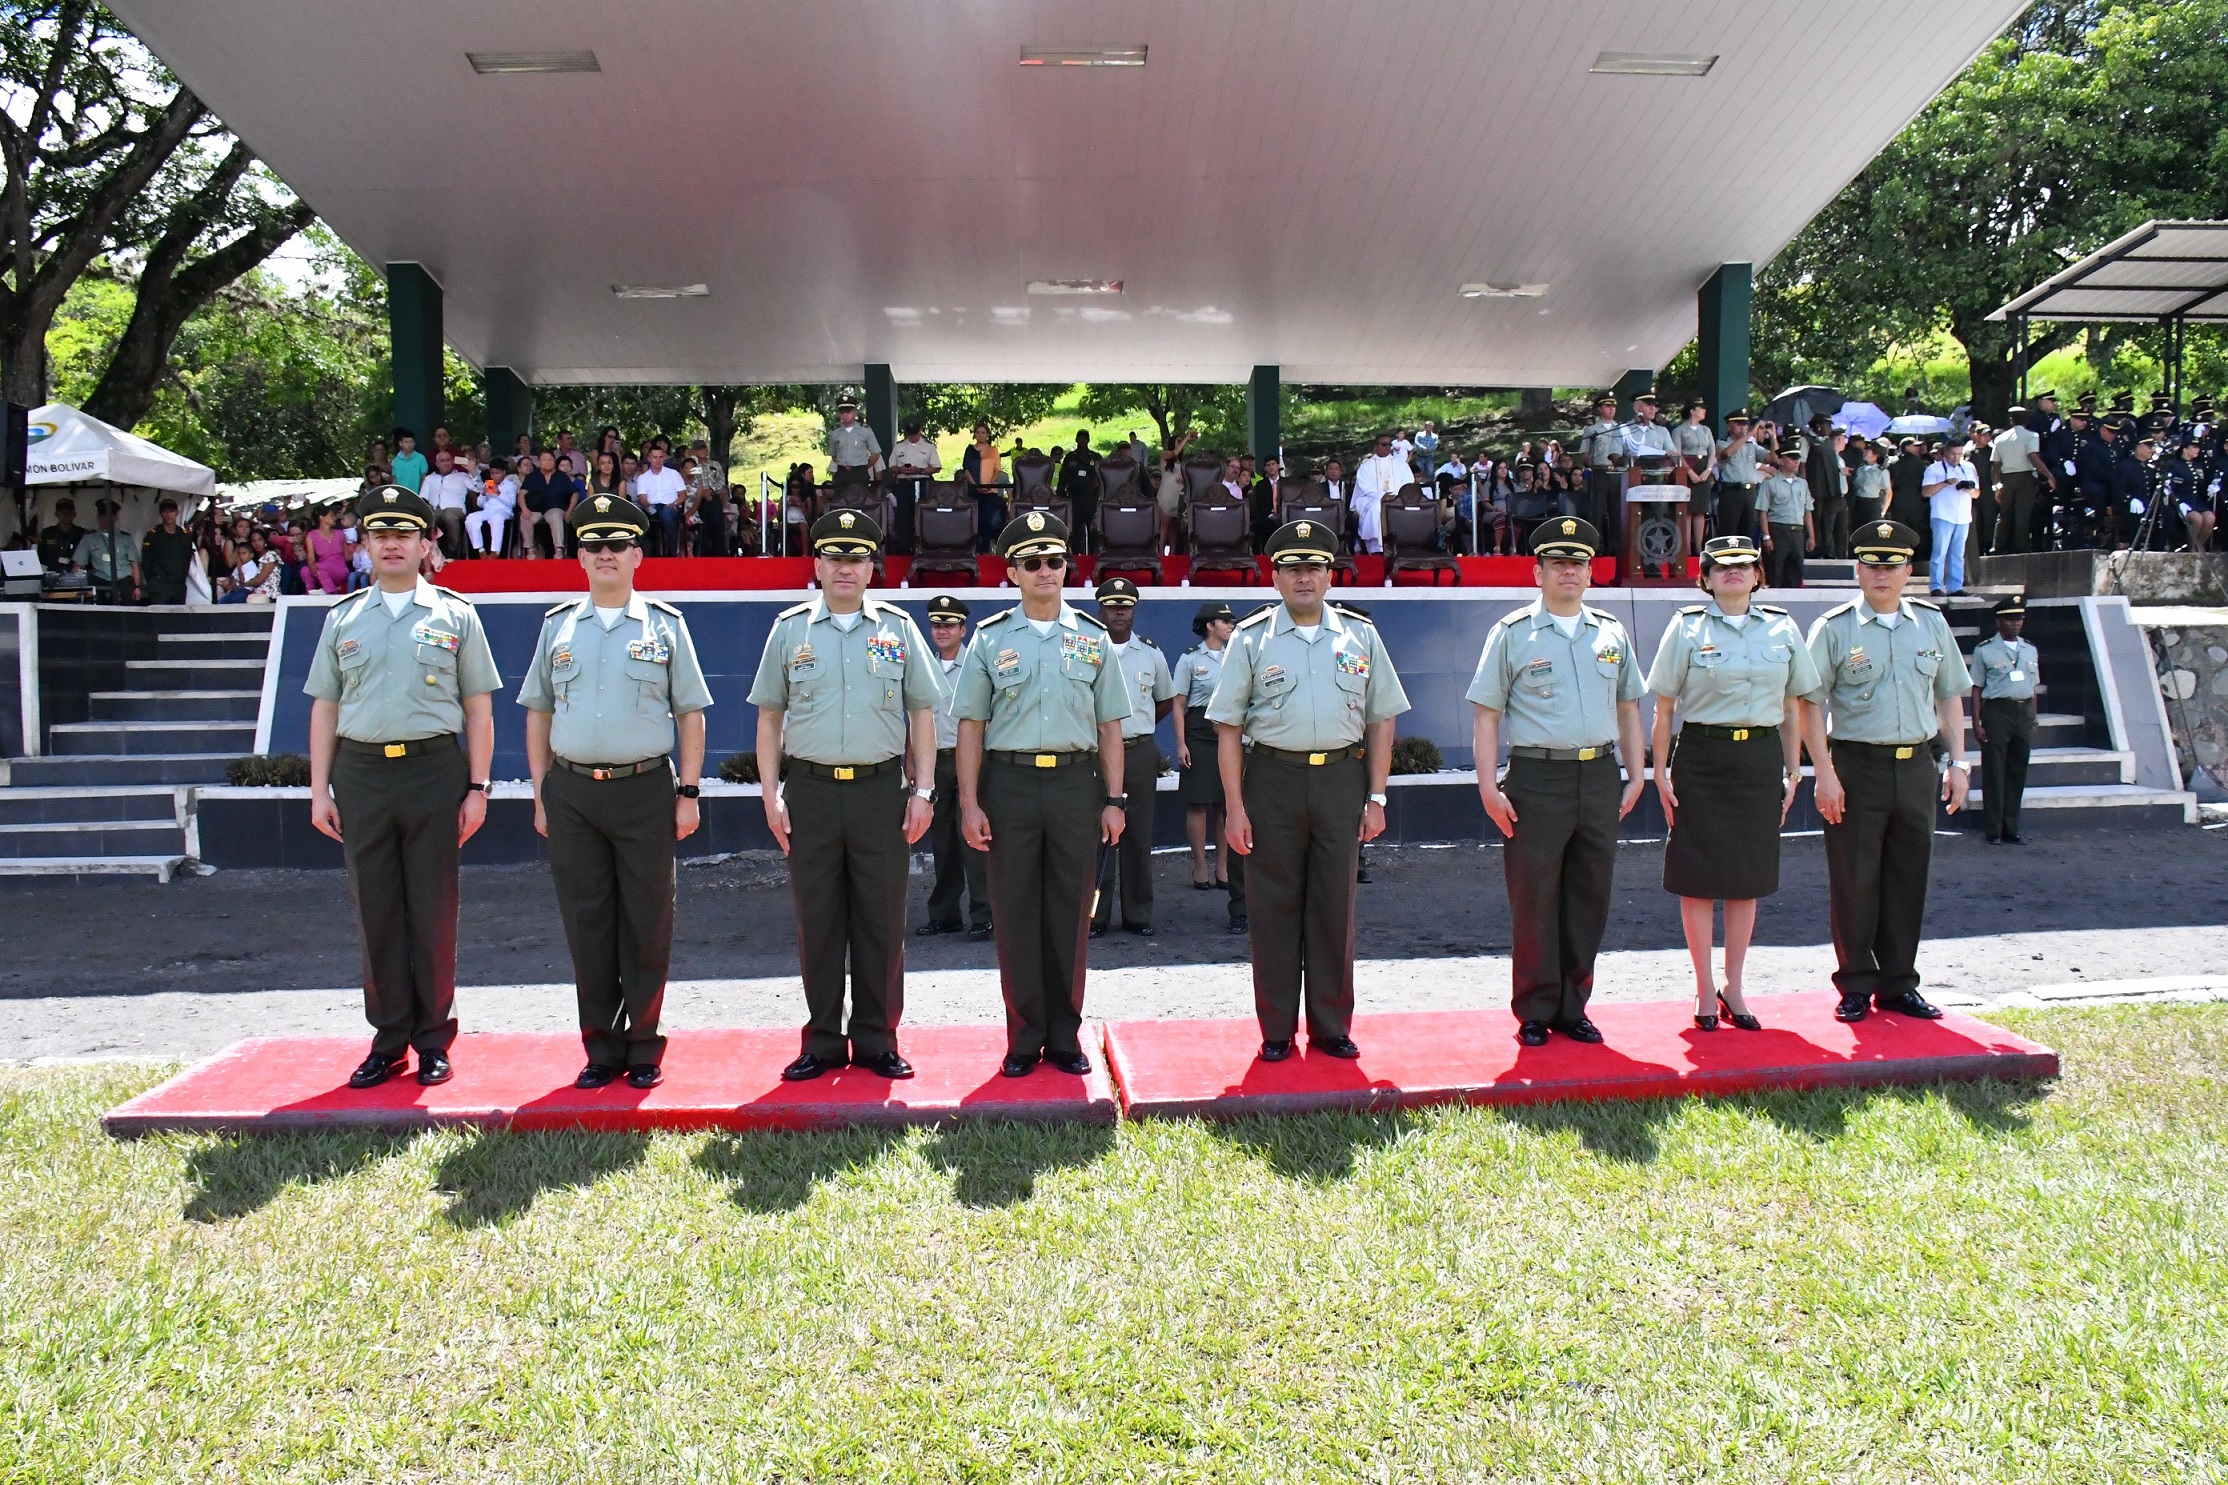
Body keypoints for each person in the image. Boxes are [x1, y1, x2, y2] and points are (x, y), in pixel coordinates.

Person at [304, 485, 500, 1090]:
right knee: (377, 910)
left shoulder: (456, 615)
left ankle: (434, 1040)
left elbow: (479, 710)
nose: (392, 544)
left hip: (432, 772)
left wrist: (478, 786)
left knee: (434, 910)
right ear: (364, 545)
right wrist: (319, 790)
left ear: (424, 544)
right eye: (380, 534)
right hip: (361, 775)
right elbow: (324, 710)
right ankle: (388, 1039)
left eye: (405, 534)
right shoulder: (343, 619)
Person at [518, 494, 711, 1090]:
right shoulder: (557, 628)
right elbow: (539, 715)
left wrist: (689, 790)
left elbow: (691, 715)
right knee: (588, 920)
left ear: (637, 556)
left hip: (644, 789)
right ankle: (601, 1047)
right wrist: (540, 792)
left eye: (617, 546)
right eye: (594, 547)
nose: (605, 555)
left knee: (648, 919)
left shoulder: (666, 626)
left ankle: (645, 1045)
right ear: (580, 558)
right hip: (573, 792)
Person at [749, 510, 939, 1081]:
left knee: (882, 920)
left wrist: (924, 789)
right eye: (834, 557)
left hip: (881, 791)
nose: (845, 569)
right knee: (819, 920)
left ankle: (878, 1039)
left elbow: (922, 715)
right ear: (817, 565)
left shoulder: (899, 629)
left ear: (871, 568)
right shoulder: (789, 630)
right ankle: (824, 1040)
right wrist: (769, 793)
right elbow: (768, 718)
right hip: (808, 790)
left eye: (856, 559)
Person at [1209, 521, 1407, 1060]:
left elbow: (1381, 719)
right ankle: (1276, 1030)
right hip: (1271, 780)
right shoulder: (1250, 639)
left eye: (1314, 568)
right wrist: (1234, 808)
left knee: (1334, 905)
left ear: (1329, 575)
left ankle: (1330, 1027)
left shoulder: (1361, 636)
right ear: (1274, 577)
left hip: (1341, 780)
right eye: (1292, 568)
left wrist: (1378, 796)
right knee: (1271, 906)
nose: (1304, 578)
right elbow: (1227, 728)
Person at [954, 512, 1128, 1079]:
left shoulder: (1094, 639)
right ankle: (1024, 1038)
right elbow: (971, 727)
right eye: (1032, 563)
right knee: (1016, 911)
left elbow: (1109, 729)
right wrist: (970, 802)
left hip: (1077, 786)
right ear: (1013, 573)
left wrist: (1115, 799)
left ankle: (1065, 1037)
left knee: (1071, 913)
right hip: (1009, 785)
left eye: (1054, 561)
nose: (1045, 571)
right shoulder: (989, 639)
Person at [1469, 517, 1646, 1047]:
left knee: (1589, 896)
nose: (1569, 571)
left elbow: (1629, 708)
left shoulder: (1611, 632)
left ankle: (1575, 1006)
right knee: (1535, 897)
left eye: (1578, 563)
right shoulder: (1511, 634)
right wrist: (1486, 787)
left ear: (1590, 573)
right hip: (1536, 778)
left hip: (1597, 774)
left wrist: (1638, 773)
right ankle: (1535, 1008)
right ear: (1538, 572)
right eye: (1558, 563)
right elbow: (1485, 716)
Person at [1647, 535, 1828, 1031]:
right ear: (1704, 578)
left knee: (1748, 877)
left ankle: (1735, 986)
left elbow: (1793, 707)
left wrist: (1794, 772)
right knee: (1699, 877)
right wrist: (1659, 772)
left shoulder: (1782, 628)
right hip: (1703, 757)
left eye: (1744, 566)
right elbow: (1663, 708)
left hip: (1759, 758)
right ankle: (1705, 988)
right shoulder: (1685, 629)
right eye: (1721, 566)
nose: (1733, 573)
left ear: (1757, 575)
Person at [1802, 520, 1972, 1023]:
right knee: (1855, 877)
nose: (1882, 574)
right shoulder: (1834, 628)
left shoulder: (1931, 623)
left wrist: (1958, 762)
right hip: (1857, 765)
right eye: (1872, 565)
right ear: (1858, 570)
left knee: (1907, 875)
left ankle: (1899, 983)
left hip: (1917, 764)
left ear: (1908, 571)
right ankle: (1855, 982)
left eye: (1892, 565)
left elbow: (1948, 695)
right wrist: (1825, 774)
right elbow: (1809, 704)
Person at [1089, 577, 1177, 939]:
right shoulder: (1086, 649)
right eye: (1112, 605)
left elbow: (1165, 700)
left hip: (1138, 751)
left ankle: (1138, 914)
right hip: (1096, 752)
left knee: (1139, 835)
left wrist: (1137, 730)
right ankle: (1095, 916)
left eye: (1125, 606)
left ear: (1134, 612)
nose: (1119, 612)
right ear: (1101, 611)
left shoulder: (1151, 654)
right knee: (1098, 835)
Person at [917, 595, 993, 940]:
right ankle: (945, 914)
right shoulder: (924, 668)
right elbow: (915, 721)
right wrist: (914, 768)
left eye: (949, 625)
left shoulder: (978, 665)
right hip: (936, 762)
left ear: (963, 629)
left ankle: (984, 914)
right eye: (936, 625)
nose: (942, 631)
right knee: (943, 841)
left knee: (974, 841)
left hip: (972, 760)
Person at [1173, 601, 1243, 921]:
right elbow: (1179, 704)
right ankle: (1200, 865)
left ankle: (1224, 867)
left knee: (1227, 803)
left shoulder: (1238, 655)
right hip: (1199, 732)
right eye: (1224, 621)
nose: (1230, 625)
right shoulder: (1190, 659)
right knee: (1199, 803)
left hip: (1228, 729)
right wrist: (1181, 742)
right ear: (1209, 626)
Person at [1969, 594, 2038, 846]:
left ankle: (2012, 827)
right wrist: (1976, 722)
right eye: (2010, 619)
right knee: (1995, 771)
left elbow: (2032, 687)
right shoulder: (1985, 650)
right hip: (1997, 712)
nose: (2015, 624)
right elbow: (1976, 688)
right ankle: (1994, 829)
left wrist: (2034, 717)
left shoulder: (2030, 649)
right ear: (1999, 622)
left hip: (2024, 712)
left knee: (2018, 770)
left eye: (2019, 619)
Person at [1921, 434, 1978, 594]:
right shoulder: (1934, 469)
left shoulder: (1968, 468)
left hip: (1963, 516)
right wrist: (1945, 483)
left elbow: (1977, 493)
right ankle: (1936, 586)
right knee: (1939, 552)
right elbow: (1926, 492)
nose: (1956, 457)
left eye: (1960, 454)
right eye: (1953, 454)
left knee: (1958, 554)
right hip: (1942, 515)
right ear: (1945, 452)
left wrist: (1969, 489)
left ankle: (1955, 586)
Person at [1757, 445, 1814, 588]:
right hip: (1778, 529)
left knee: (1796, 570)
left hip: (1797, 531)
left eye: (1797, 459)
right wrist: (1766, 536)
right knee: (1775, 569)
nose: (1796, 463)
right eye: (1792, 459)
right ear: (1781, 461)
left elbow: (1807, 511)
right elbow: (1762, 511)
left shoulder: (1802, 483)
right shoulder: (1770, 482)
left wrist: (1811, 536)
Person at [887, 418, 941, 557]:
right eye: (910, 434)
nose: (913, 436)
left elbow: (936, 467)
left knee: (922, 517)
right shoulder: (899, 447)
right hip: (904, 484)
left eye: (915, 433)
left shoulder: (928, 447)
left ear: (920, 430)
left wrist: (921, 470)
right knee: (904, 518)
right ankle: (904, 552)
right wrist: (900, 470)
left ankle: (924, 549)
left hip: (922, 483)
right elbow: (891, 466)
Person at [1672, 399, 1718, 557]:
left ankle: (1698, 547)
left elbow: (1712, 452)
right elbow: (1677, 453)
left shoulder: (1706, 430)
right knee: (1688, 510)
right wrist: (1689, 472)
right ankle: (1687, 548)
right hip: (1688, 467)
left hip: (1704, 467)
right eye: (1701, 408)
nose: (1704, 411)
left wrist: (1708, 470)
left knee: (1701, 510)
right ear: (1692, 410)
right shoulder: (1680, 430)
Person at [75, 497, 142, 604]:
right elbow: (78, 564)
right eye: (103, 515)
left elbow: (134, 564)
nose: (105, 518)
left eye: (109, 515)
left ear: (115, 517)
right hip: (100, 579)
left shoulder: (125, 538)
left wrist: (137, 587)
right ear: (98, 517)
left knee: (127, 613)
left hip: (123, 580)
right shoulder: (89, 538)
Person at [1353, 433, 1411, 554]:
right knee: (1376, 508)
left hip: (1398, 498)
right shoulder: (1366, 466)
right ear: (1376, 446)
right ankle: (1376, 548)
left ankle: (1401, 546)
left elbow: (1408, 484)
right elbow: (1364, 487)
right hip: (1372, 499)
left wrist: (1396, 497)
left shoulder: (1401, 464)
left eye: (1390, 445)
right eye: (1384, 445)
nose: (1387, 447)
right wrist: (1382, 496)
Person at [1715, 411, 1763, 543]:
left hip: (1750, 493)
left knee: (1748, 535)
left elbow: (1774, 458)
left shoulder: (1751, 446)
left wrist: (1773, 436)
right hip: (1732, 492)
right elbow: (1727, 453)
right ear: (1729, 426)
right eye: (1739, 424)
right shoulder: (1722, 442)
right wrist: (1749, 435)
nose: (1743, 428)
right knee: (1729, 535)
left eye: (1745, 425)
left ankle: (1745, 563)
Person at [633, 443, 688, 557]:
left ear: (664, 458)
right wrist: (649, 507)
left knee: (667, 514)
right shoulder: (643, 478)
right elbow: (642, 498)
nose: (658, 460)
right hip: (651, 507)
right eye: (654, 457)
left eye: (660, 457)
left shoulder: (673, 474)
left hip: (670, 506)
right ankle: (647, 552)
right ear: (649, 459)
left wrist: (675, 503)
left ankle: (672, 551)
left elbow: (682, 494)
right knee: (638, 517)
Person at [2165, 433, 2216, 551]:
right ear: (2185, 448)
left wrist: (2211, 488)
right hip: (2182, 501)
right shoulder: (2175, 465)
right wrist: (2178, 502)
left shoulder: (2198, 465)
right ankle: (2191, 549)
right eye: (2194, 447)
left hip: (2196, 501)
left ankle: (2199, 547)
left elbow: (2200, 486)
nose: (2197, 449)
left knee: (2210, 518)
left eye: (2198, 447)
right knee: (2197, 519)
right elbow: (2170, 487)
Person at [522, 448, 577, 559]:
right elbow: (521, 494)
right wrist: (524, 508)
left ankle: (559, 549)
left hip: (555, 507)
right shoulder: (532, 476)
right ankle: (530, 549)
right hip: (535, 509)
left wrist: (569, 511)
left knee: (555, 515)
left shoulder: (561, 476)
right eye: (545, 459)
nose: (548, 462)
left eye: (550, 459)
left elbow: (574, 493)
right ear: (538, 462)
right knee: (525, 518)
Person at [140, 498, 197, 605]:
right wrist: (154, 578)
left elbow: (186, 559)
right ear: (161, 514)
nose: (169, 514)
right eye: (165, 512)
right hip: (159, 586)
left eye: (171, 511)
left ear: (177, 513)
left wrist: (181, 577)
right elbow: (146, 561)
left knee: (178, 620)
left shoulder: (184, 536)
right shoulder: (153, 535)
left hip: (178, 586)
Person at [960, 422, 1005, 554]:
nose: (980, 435)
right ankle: (972, 549)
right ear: (974, 434)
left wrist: (988, 485)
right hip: (973, 491)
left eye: (983, 432)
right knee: (974, 521)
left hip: (989, 491)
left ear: (988, 435)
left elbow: (997, 470)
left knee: (986, 521)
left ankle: (984, 550)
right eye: (978, 432)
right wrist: (975, 485)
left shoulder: (993, 450)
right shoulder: (970, 450)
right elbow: (966, 469)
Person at [420, 448, 472, 556]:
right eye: (442, 461)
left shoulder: (463, 476)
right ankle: (432, 552)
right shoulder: (430, 478)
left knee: (449, 516)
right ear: (437, 464)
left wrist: (473, 471)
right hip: (435, 509)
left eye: (448, 460)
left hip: (455, 509)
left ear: (453, 462)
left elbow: (479, 489)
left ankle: (453, 550)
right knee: (429, 519)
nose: (446, 463)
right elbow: (423, 497)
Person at [826, 398, 883, 497]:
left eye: (848, 412)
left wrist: (863, 465)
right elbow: (834, 455)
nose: (845, 415)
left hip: (859, 472)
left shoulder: (865, 430)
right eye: (842, 412)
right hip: (842, 473)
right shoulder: (835, 433)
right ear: (839, 414)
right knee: (841, 502)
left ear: (855, 412)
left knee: (860, 502)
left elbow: (876, 453)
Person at [466, 461, 517, 558]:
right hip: (488, 511)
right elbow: (480, 504)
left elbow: (512, 503)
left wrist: (498, 493)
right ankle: (481, 550)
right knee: (471, 518)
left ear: (504, 472)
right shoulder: (488, 484)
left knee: (496, 518)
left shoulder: (510, 485)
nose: (495, 476)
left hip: (504, 511)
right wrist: (483, 494)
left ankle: (495, 551)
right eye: (492, 473)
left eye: (497, 473)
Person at [301, 503, 353, 594]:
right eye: (331, 516)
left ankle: (331, 592)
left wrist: (357, 551)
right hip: (322, 571)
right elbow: (311, 558)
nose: (335, 518)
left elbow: (347, 557)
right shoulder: (311, 535)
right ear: (322, 518)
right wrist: (312, 566)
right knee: (305, 570)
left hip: (339, 569)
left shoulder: (339, 534)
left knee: (319, 567)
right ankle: (311, 594)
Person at [37, 497, 90, 572]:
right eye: (62, 512)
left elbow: (88, 558)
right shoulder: (47, 533)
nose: (65, 515)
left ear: (74, 514)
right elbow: (42, 557)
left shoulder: (82, 533)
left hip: (76, 574)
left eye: (68, 512)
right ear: (57, 514)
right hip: (53, 573)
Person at [388, 428, 428, 494]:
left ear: (414, 443)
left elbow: (423, 478)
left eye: (411, 442)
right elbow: (395, 480)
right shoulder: (396, 461)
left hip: (416, 495)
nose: (409, 444)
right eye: (406, 442)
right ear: (400, 443)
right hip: (400, 495)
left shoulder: (421, 458)